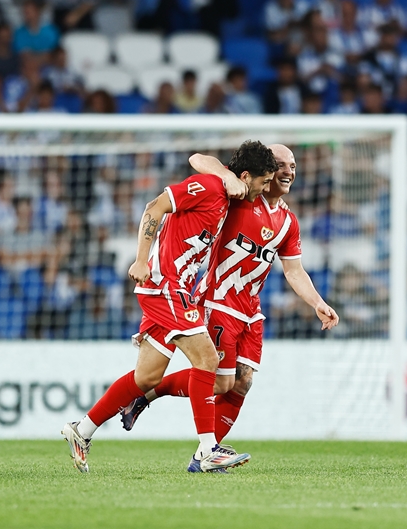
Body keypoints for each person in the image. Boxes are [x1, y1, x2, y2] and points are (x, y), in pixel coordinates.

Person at [61, 140, 274, 474]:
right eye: (262, 183)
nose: (263, 190)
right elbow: (154, 207)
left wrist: (222, 171)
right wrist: (141, 260)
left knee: (146, 377)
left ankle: (81, 431)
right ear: (246, 176)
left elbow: (203, 158)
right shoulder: (208, 187)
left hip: (179, 288)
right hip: (165, 285)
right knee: (207, 358)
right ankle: (207, 451)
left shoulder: (225, 192)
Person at [118, 144, 339, 453]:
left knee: (243, 382)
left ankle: (207, 454)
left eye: (293, 165)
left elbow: (294, 270)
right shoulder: (240, 196)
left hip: (250, 310)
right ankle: (153, 400)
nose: (289, 171)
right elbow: (197, 158)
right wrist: (224, 173)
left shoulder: (289, 222)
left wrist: (317, 302)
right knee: (221, 382)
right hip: (218, 301)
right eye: (282, 165)